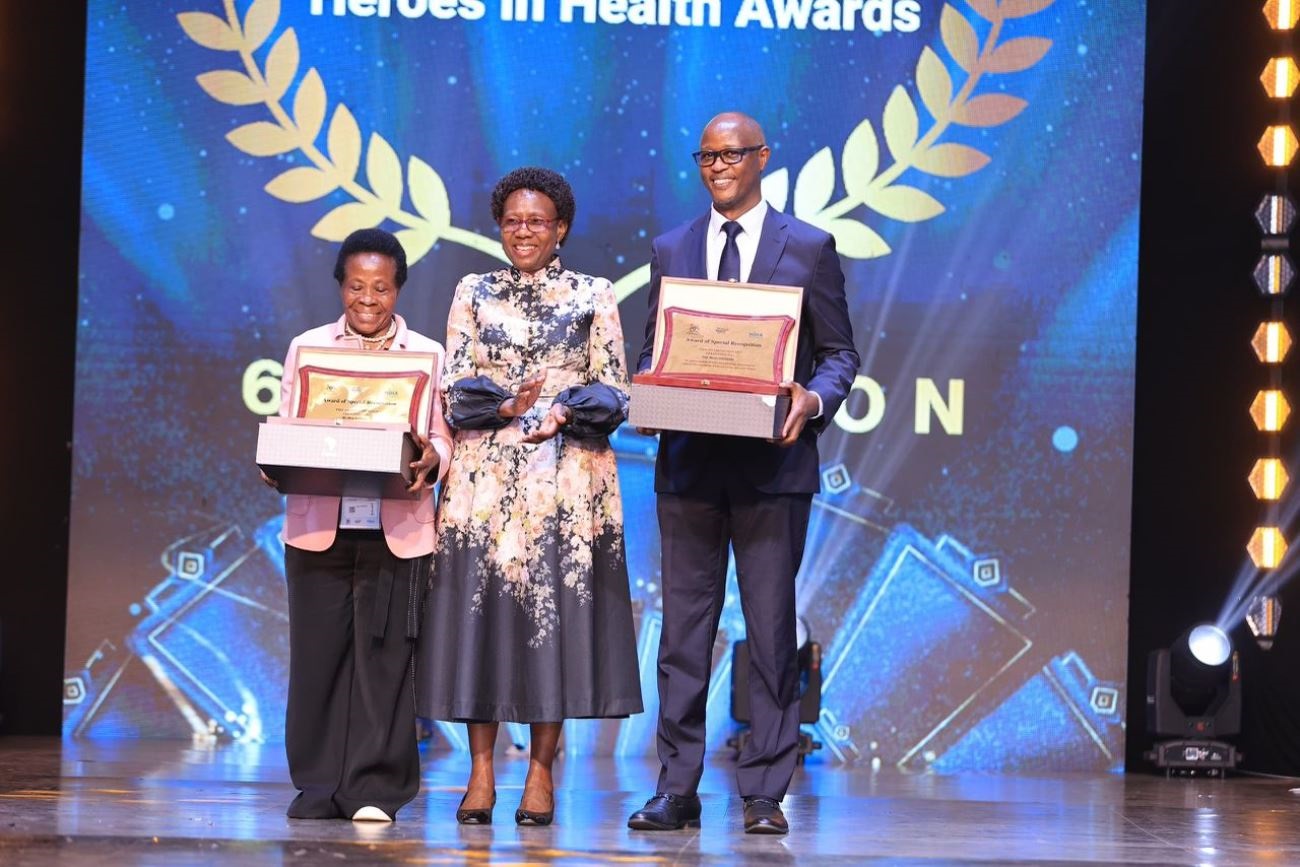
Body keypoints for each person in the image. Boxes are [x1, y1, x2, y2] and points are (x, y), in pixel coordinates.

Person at [627, 113, 860, 835]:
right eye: (706, 155)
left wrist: (811, 397)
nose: (718, 165)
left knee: (769, 634)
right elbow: (652, 350)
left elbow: (839, 354)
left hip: (773, 469)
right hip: (691, 466)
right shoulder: (673, 247)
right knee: (683, 638)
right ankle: (677, 785)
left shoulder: (810, 247)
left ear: (762, 157)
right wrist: (648, 390)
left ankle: (764, 789)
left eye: (732, 154)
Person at [418, 167, 643, 827]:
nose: (524, 231)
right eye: (513, 221)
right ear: (500, 226)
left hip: (567, 478)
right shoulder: (472, 290)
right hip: (485, 481)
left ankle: (542, 771)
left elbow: (617, 388)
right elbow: (455, 381)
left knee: (552, 625)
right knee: (479, 622)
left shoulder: (593, 292)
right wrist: (502, 403)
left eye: (536, 221)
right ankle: (481, 769)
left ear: (561, 228)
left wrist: (564, 408)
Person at [264, 228, 454, 822]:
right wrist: (277, 455)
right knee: (318, 656)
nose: (366, 299)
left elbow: (444, 436)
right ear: (340, 287)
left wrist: (435, 458)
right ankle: (318, 785)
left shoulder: (427, 355)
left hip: (396, 525)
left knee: (386, 659)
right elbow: (289, 418)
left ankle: (375, 788)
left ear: (397, 289)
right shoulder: (308, 348)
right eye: (355, 286)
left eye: (380, 287)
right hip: (321, 521)